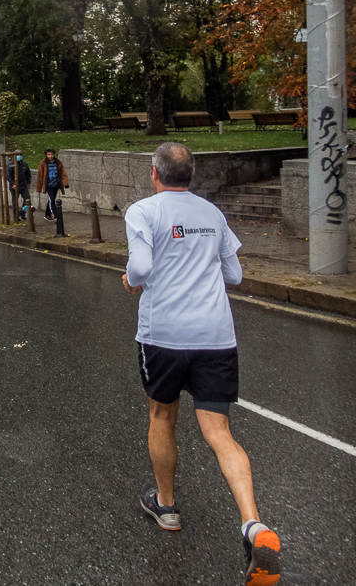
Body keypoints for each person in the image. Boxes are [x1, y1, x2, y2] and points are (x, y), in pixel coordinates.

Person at [123, 143, 279, 586]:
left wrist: (133, 279)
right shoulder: (212, 214)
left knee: (161, 415)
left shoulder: (143, 211)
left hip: (165, 335)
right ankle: (254, 525)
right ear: (190, 175)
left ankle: (167, 506)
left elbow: (141, 265)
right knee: (219, 431)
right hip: (215, 335)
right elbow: (235, 275)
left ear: (155, 174)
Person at [35, 148, 68, 221]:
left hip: (56, 184)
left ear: (54, 154)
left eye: (51, 154)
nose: (50, 156)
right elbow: (40, 175)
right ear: (46, 155)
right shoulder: (43, 163)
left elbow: (63, 173)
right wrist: (39, 187)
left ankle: (47, 214)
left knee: (51, 200)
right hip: (48, 185)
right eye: (48, 154)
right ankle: (56, 216)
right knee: (52, 200)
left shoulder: (58, 162)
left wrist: (65, 183)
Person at [6, 151, 32, 219]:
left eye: (20, 155)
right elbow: (8, 176)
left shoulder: (24, 164)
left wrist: (28, 182)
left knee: (27, 199)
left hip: (23, 185)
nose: (19, 156)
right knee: (15, 202)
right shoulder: (11, 164)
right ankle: (15, 216)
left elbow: (28, 174)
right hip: (14, 186)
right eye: (17, 155)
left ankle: (23, 213)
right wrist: (13, 184)